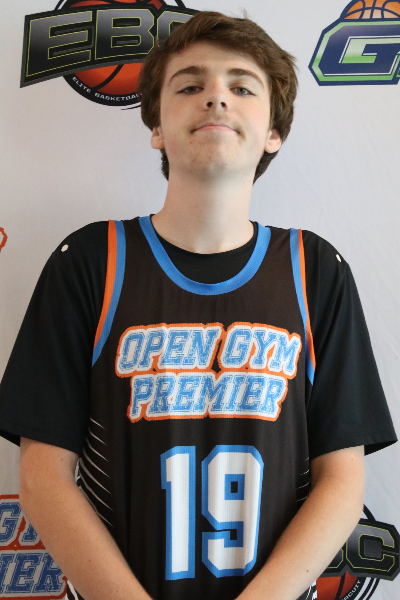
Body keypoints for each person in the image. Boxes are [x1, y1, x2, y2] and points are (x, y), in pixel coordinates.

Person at [0, 10, 397, 600]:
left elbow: (342, 478)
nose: (216, 97)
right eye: (189, 86)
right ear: (156, 127)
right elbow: (43, 476)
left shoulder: (315, 271)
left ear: (274, 132)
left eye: (242, 87)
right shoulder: (89, 262)